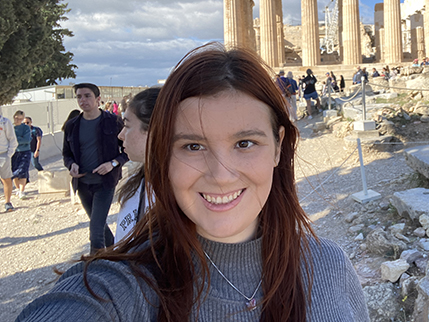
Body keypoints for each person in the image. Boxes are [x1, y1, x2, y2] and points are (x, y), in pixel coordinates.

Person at [16, 43, 368, 322]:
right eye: (193, 146)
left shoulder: (329, 266)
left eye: (245, 143)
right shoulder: (120, 288)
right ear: (164, 155)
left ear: (278, 146)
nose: (221, 174)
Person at [62, 83, 128, 254]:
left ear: (98, 99)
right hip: (82, 184)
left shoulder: (113, 122)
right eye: (79, 96)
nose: (83, 100)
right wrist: (71, 165)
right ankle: (117, 253)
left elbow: (128, 150)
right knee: (98, 224)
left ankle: (94, 267)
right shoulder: (72, 125)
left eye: (87, 95)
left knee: (95, 231)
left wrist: (112, 163)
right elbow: (66, 154)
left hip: (105, 183)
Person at [115, 87, 161, 243]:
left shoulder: (183, 195)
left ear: (153, 130)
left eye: (127, 126)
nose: (120, 135)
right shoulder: (134, 185)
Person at [12, 110, 32, 199]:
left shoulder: (26, 128)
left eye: (20, 119)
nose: (18, 120)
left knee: (23, 171)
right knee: (14, 172)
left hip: (25, 151)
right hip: (13, 152)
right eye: (16, 118)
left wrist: (15, 140)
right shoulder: (11, 128)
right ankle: (17, 188)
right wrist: (19, 139)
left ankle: (22, 190)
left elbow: (26, 140)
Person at [1, 113, 18, 212]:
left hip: (3, 154)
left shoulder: (4, 122)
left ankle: (7, 202)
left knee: (6, 179)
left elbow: (12, 139)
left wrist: (8, 155)